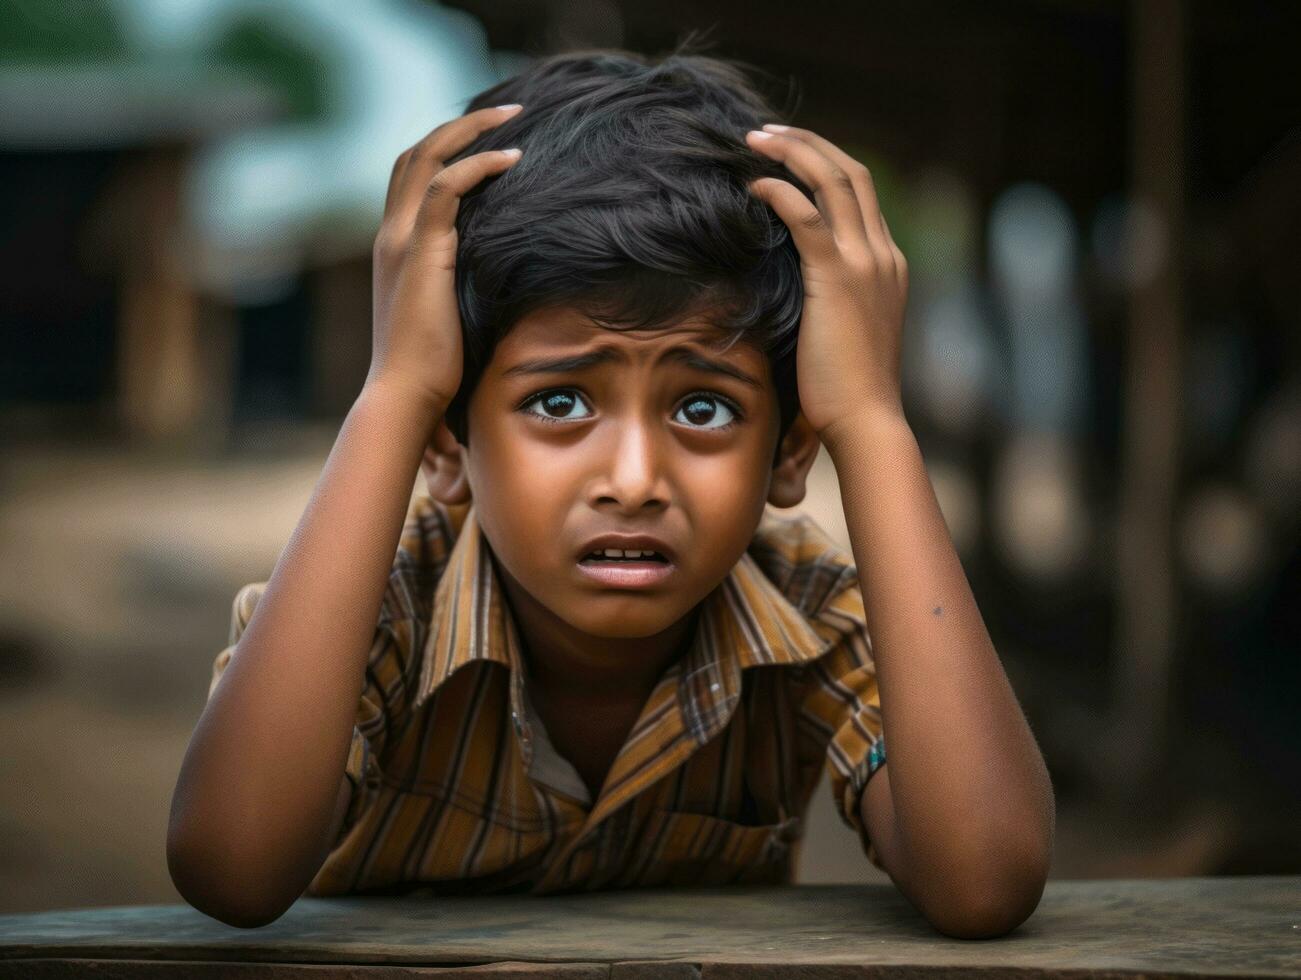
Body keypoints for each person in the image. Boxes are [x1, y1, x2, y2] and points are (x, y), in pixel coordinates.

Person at [166, 39, 1054, 939]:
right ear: (447, 441)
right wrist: (394, 394)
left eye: (703, 409)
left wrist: (868, 422)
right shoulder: (382, 610)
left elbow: (982, 878)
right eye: (559, 401)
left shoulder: (811, 612)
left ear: (789, 453)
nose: (633, 481)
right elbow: (231, 866)